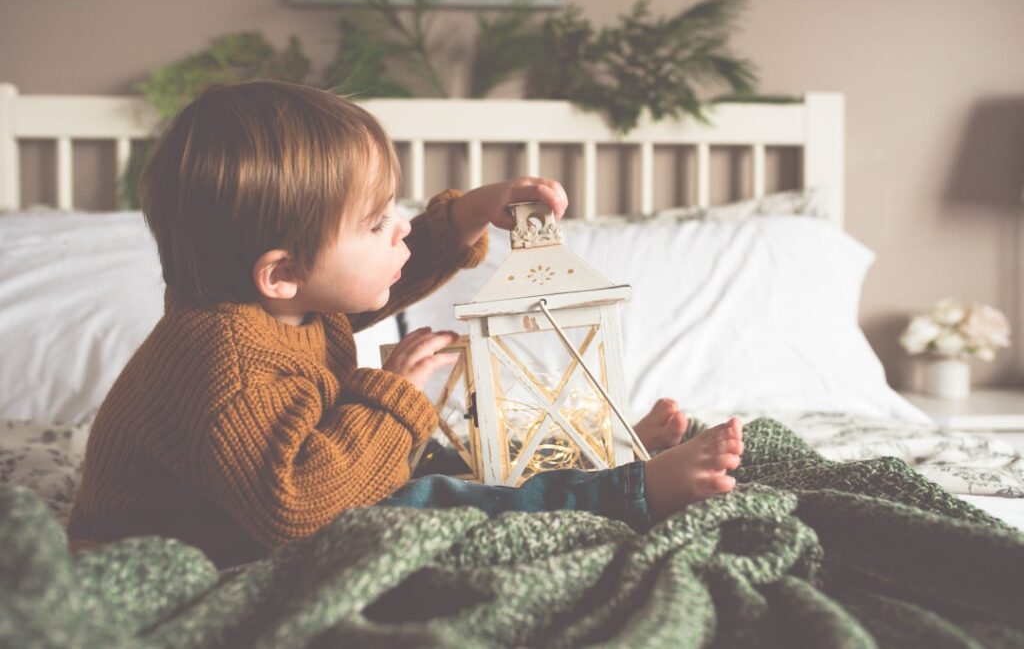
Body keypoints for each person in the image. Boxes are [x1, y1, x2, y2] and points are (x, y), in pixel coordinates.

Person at [67, 81, 743, 568]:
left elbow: (369, 279)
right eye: (375, 222)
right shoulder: (226, 365)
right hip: (210, 539)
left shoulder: (274, 300)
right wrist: (392, 399)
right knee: (430, 497)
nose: (398, 230)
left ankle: (600, 454)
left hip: (268, 499)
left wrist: (469, 213)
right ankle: (629, 492)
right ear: (280, 273)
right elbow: (297, 513)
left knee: (468, 451)